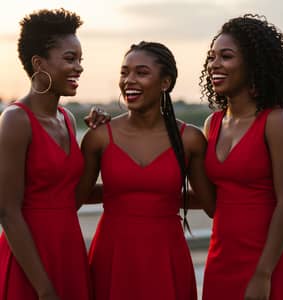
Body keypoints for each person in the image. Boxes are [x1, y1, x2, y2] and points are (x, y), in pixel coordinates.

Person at [76, 41, 215, 300]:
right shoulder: (99, 137)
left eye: (141, 72)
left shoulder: (190, 139)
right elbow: (75, 197)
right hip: (112, 254)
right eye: (124, 72)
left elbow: (212, 206)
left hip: (166, 256)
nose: (129, 80)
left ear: (165, 83)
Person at [199, 14, 283, 300]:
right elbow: (213, 202)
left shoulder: (275, 120)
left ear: (254, 64)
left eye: (226, 56)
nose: (214, 65)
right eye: (211, 57)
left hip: (268, 262)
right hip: (221, 259)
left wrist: (263, 273)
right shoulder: (212, 124)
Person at [0, 8, 91, 300]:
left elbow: (70, 188)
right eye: (69, 59)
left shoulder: (68, 119)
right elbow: (7, 211)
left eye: (80, 60)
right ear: (39, 64)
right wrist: (44, 288)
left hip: (69, 250)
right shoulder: (15, 120)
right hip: (31, 262)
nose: (78, 67)